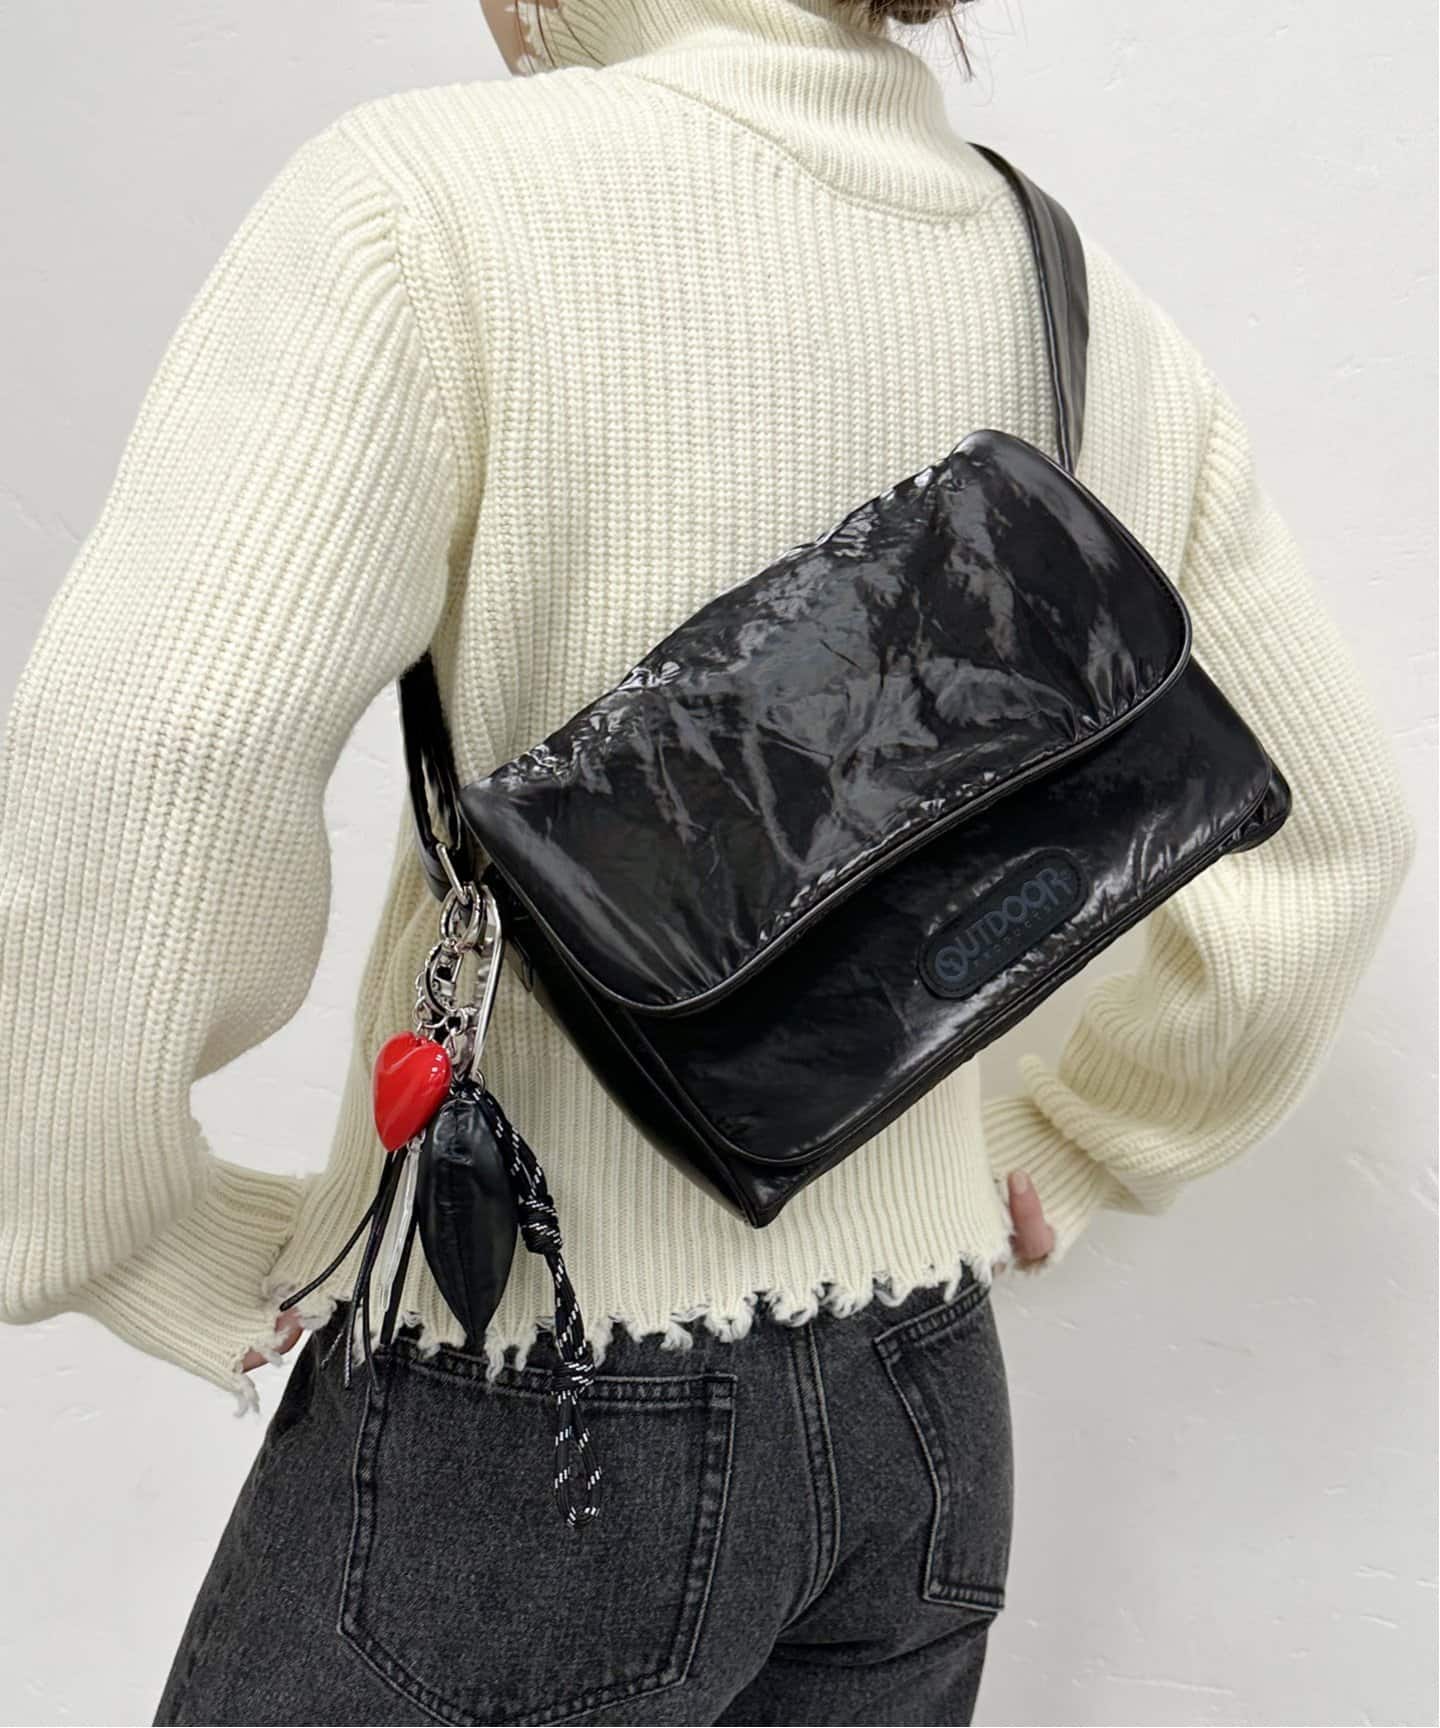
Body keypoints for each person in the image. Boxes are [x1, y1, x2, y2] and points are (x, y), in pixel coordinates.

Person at [0, 0, 1414, 1721]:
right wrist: (1085, 1137)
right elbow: (1338, 823)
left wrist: (113, 1223)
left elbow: (150, 761)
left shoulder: (420, 207)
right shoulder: (1073, 290)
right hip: (926, 1404)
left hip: (531, 1382)